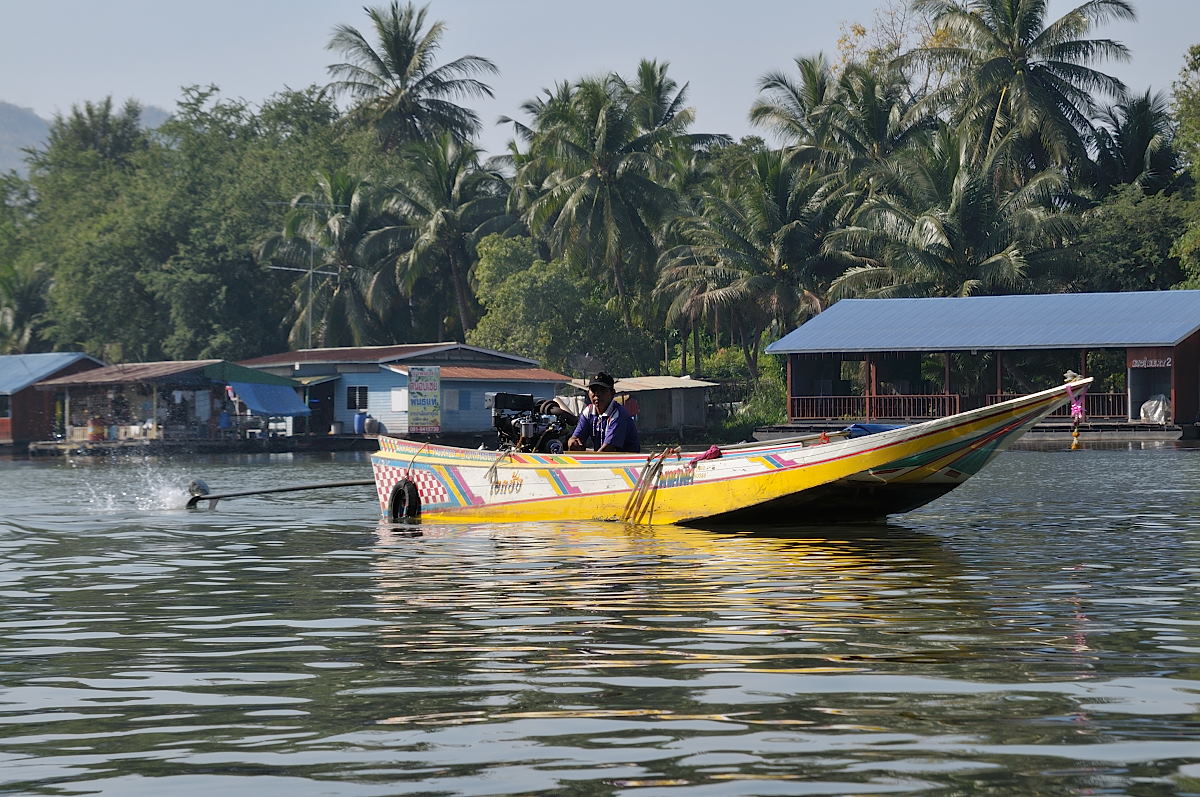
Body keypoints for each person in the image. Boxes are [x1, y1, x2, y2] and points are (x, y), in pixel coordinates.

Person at [568, 372, 641, 453]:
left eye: (602, 390)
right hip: (604, 459)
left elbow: (607, 449)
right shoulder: (588, 412)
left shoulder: (618, 415)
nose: (597, 394)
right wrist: (572, 442)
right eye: (593, 390)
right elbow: (574, 438)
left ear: (612, 393)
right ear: (588, 393)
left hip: (627, 461)